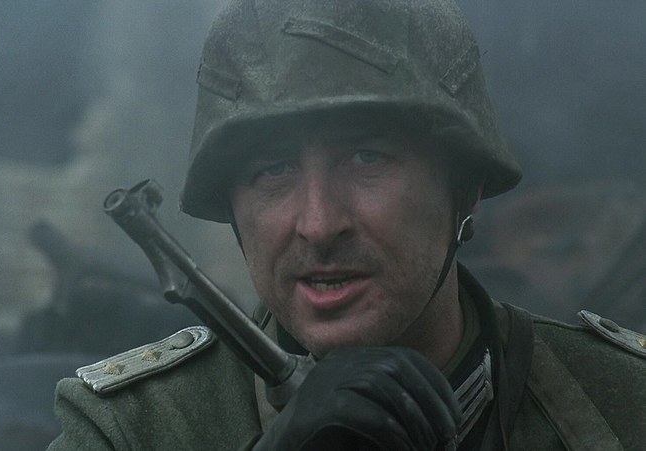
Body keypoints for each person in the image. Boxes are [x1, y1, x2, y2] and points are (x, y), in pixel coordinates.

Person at [47, 0, 646, 449]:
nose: (318, 223)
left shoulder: (622, 401)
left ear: (465, 187)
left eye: (367, 158)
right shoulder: (133, 429)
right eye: (273, 170)